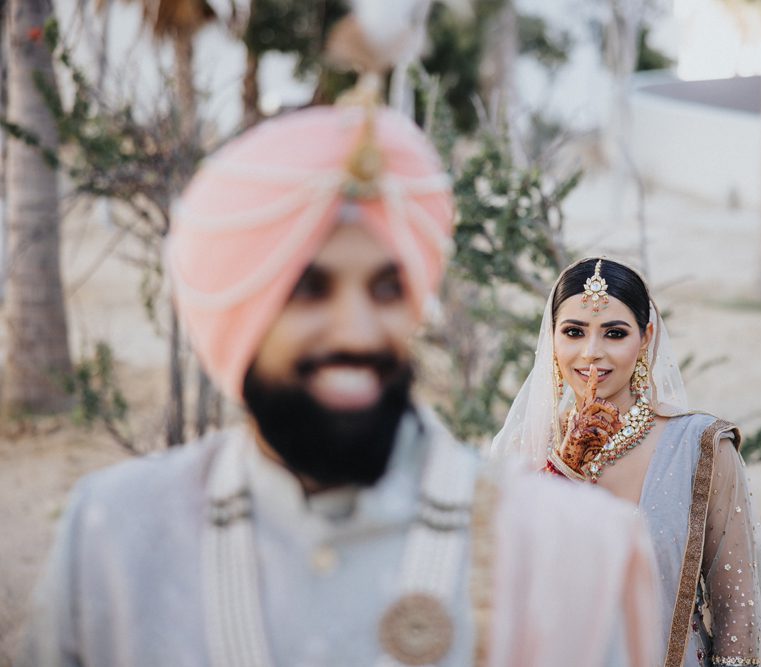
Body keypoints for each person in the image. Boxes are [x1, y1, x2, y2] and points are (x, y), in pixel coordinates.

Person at [18, 94, 662, 667]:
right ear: (241, 318)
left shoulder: (570, 550)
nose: (356, 329)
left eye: (386, 287)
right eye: (309, 289)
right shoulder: (115, 539)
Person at [491, 257, 761, 667]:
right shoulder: (523, 453)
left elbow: (737, 608)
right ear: (551, 338)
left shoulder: (700, 448)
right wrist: (562, 469)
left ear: (646, 337)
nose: (591, 354)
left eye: (614, 333)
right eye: (574, 332)